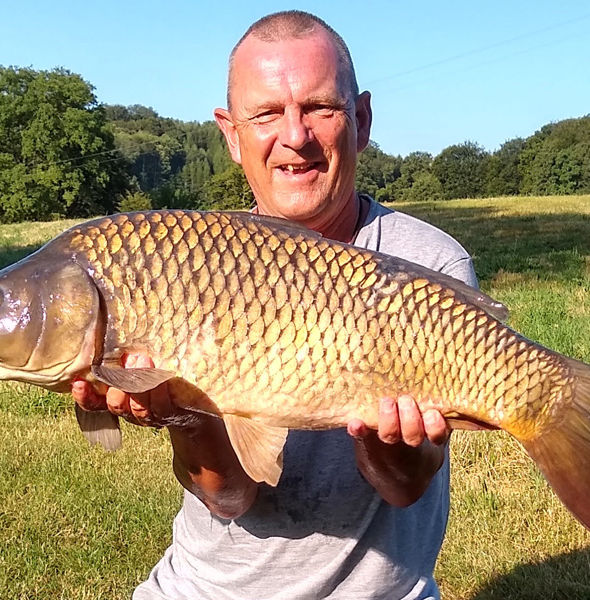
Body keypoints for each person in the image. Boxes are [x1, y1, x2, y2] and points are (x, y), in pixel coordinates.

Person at [72, 10, 479, 599]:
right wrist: (185, 415)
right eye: (265, 113)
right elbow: (229, 497)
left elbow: (404, 489)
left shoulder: (427, 267)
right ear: (231, 135)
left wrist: (380, 435)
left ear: (360, 120)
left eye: (320, 107)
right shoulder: (191, 261)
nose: (295, 135)